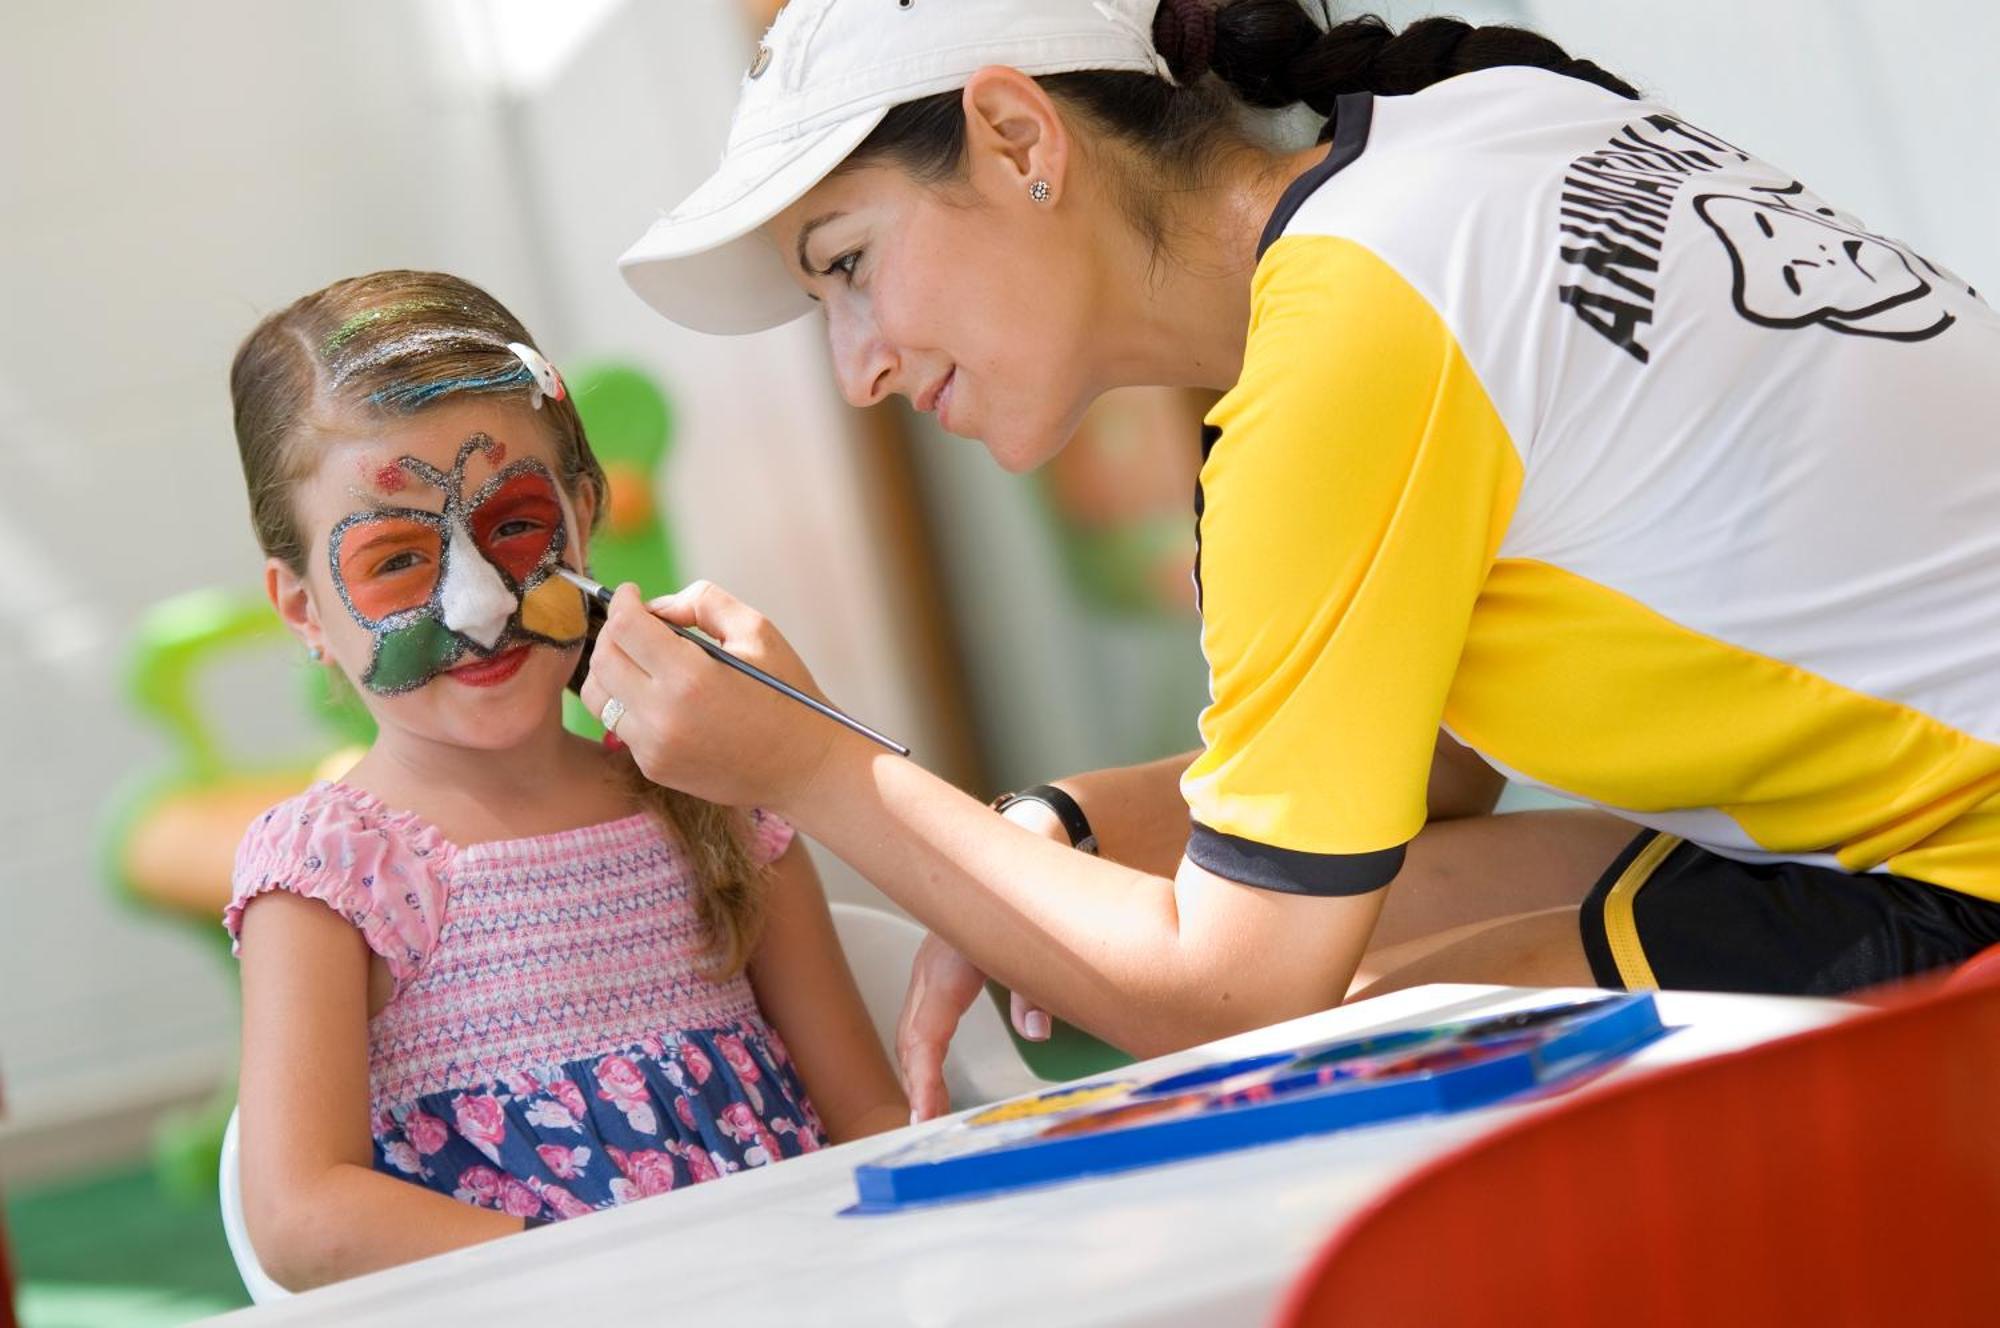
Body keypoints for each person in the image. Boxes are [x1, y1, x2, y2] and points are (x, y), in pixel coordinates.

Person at [593, 0, 2000, 1120]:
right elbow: (1433, 774)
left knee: (1313, 1088)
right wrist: (1062, 831)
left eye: (846, 264)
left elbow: (1234, 996)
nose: (859, 370)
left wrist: (811, 764)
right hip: (1930, 844)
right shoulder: (1466, 141)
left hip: (1970, 880)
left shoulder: (1343, 347)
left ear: (1020, 136)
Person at [223, 270, 905, 1290]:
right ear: (303, 608)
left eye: (513, 526)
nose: (479, 602)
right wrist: (624, 1280)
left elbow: (866, 1116)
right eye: (399, 560)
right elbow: (302, 1213)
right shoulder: (331, 869)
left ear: (583, 516)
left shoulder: (710, 786)